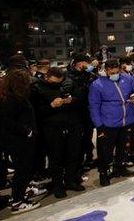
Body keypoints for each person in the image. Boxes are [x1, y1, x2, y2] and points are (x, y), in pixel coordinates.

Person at [0, 69, 43, 214]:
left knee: (23, 170)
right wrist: (27, 131)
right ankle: (17, 201)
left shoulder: (14, 96)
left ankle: (19, 195)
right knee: (22, 171)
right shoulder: (12, 99)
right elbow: (8, 121)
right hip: (19, 142)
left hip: (20, 141)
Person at [31, 67, 84, 198]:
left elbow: (81, 100)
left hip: (72, 125)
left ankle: (70, 180)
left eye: (60, 82)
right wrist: (51, 106)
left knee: (73, 154)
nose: (58, 84)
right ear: (47, 77)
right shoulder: (37, 87)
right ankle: (57, 185)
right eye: (54, 82)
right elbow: (35, 112)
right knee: (56, 158)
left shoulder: (69, 83)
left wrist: (72, 100)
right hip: (52, 128)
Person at [88, 59, 134, 187]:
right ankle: (104, 173)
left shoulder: (127, 78)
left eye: (117, 71)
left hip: (126, 121)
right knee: (105, 151)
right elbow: (93, 107)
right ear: (106, 70)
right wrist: (99, 125)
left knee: (123, 148)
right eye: (112, 72)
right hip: (107, 124)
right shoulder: (97, 85)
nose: (115, 73)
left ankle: (120, 168)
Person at [67, 54, 96, 174]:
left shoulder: (90, 76)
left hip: (88, 112)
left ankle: (89, 158)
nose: (89, 66)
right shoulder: (68, 77)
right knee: (77, 141)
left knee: (88, 137)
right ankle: (77, 165)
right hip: (75, 114)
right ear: (79, 64)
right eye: (87, 63)